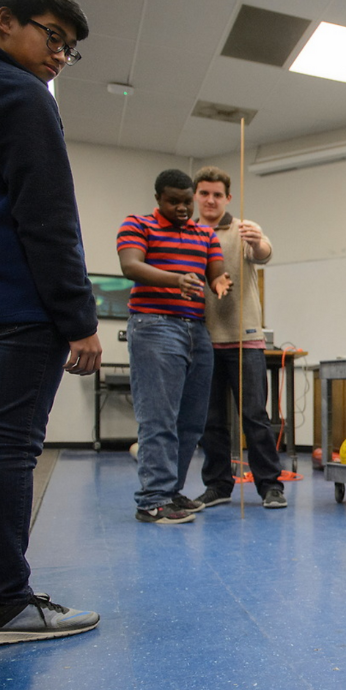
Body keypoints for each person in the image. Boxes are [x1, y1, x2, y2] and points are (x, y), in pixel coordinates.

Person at [0, 0, 101, 645]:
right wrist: (79, 318)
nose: (60, 55)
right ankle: (8, 603)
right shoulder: (27, 98)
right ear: (6, 19)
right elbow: (48, 219)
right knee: (12, 452)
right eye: (54, 37)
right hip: (22, 310)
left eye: (70, 48)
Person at [118, 169, 230, 525]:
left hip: (196, 330)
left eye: (186, 201)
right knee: (159, 419)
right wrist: (175, 279)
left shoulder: (205, 234)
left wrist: (221, 281)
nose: (182, 208)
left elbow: (215, 272)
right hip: (154, 325)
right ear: (158, 199)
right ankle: (152, 500)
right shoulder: (137, 224)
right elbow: (131, 265)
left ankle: (171, 492)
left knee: (192, 422)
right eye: (174, 201)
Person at [190, 166, 287, 510]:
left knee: (254, 417)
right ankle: (218, 485)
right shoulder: (187, 234)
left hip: (245, 341)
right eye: (205, 193)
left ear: (227, 198)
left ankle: (270, 486)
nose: (211, 200)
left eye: (218, 194)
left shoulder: (243, 230)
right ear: (195, 196)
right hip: (203, 341)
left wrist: (257, 240)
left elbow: (264, 252)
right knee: (211, 421)